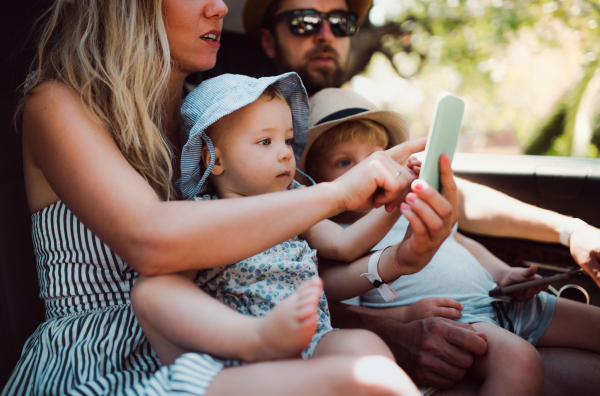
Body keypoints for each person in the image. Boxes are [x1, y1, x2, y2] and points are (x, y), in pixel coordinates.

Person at [3, 1, 459, 395]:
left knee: (372, 361)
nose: (220, 7)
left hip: (220, 335)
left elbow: (281, 270)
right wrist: (337, 194)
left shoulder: (219, 114)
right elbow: (149, 240)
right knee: (368, 382)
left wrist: (399, 257)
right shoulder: (58, 102)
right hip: (105, 356)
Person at [240, 0, 600, 390]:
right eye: (304, 21)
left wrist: (567, 232)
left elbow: (457, 209)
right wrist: (399, 323)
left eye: (340, 21)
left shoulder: (354, 108)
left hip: (500, 300)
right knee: (521, 363)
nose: (326, 34)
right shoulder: (265, 159)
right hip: (446, 321)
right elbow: (325, 281)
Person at [132, 75, 444, 395]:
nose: (285, 153)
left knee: (363, 344)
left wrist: (398, 194)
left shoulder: (294, 202)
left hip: (315, 340)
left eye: (287, 139)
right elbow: (166, 291)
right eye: (265, 142)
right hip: (239, 355)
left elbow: (344, 244)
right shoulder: (203, 217)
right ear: (214, 159)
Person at [299, 88, 600, 396]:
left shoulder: (407, 205)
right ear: (312, 179)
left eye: (378, 157)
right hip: (460, 320)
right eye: (345, 162)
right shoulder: (338, 234)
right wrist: (403, 318)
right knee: (519, 362)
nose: (368, 172)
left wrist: (502, 273)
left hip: (504, 299)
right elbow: (340, 309)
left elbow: (458, 242)